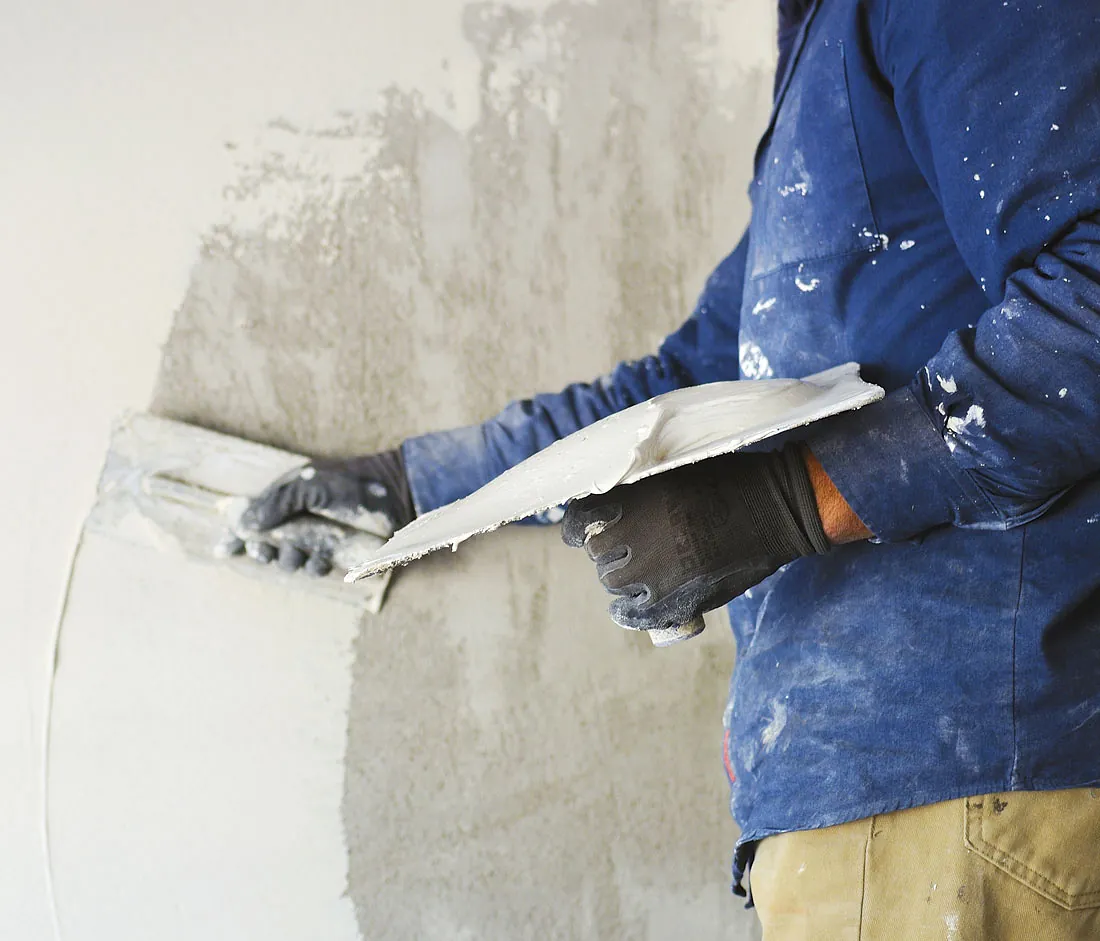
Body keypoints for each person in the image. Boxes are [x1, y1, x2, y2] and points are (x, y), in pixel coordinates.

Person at [232, 0, 1100, 935]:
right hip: (896, 807)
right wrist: (413, 490)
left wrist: (789, 503)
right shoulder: (824, 58)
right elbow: (687, 383)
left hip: (966, 777)